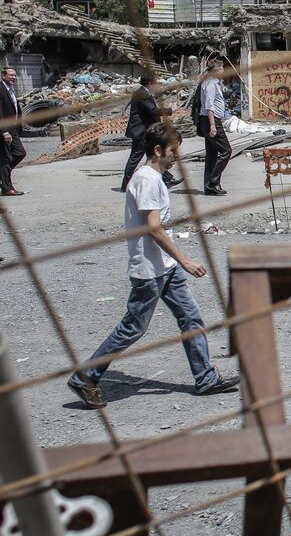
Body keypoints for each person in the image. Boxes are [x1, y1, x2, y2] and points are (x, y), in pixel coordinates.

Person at [68, 123, 240, 409]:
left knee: (190, 318)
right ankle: (85, 377)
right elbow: (154, 229)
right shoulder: (147, 180)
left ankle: (205, 377)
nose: (176, 156)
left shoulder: (153, 177)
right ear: (158, 150)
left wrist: (176, 263)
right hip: (150, 270)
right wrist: (185, 261)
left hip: (166, 267)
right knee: (132, 328)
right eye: (173, 151)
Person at [120, 76, 181, 192]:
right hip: (141, 131)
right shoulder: (142, 94)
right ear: (149, 82)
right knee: (135, 158)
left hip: (146, 131)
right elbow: (152, 111)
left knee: (155, 154)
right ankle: (126, 184)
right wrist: (170, 110)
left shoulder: (144, 92)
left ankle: (166, 178)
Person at [0, 67, 26, 196]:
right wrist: (4, 132)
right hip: (3, 129)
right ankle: (7, 188)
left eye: (14, 75)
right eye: (10, 75)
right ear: (3, 76)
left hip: (12, 128)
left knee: (20, 153)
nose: (13, 77)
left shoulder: (10, 90)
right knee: (5, 158)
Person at [199, 57, 231, 196]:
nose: (223, 71)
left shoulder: (213, 82)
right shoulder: (211, 84)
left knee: (212, 154)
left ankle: (209, 187)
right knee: (226, 151)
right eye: (221, 68)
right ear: (215, 70)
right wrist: (213, 125)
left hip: (211, 120)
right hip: (210, 120)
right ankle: (213, 182)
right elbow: (209, 106)